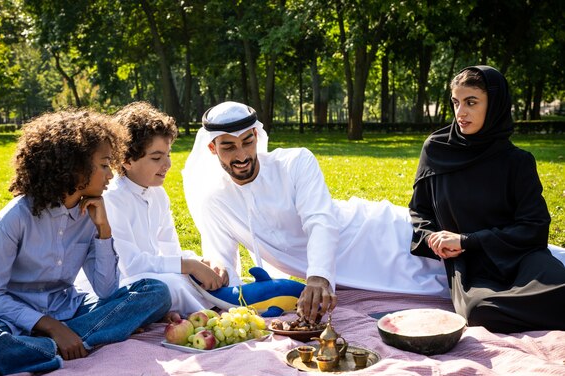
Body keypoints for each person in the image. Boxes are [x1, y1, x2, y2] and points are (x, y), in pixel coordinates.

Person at [182, 101, 450, 323]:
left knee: (459, 270)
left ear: (256, 137)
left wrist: (319, 277)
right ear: (212, 148)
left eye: (247, 142)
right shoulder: (214, 199)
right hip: (348, 276)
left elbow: (320, 222)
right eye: (228, 146)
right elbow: (224, 264)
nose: (241, 154)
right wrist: (218, 273)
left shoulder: (295, 162)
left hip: (378, 235)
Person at [0, 109, 172, 376]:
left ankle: (46, 348)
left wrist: (103, 230)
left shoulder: (91, 216)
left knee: (155, 292)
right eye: (104, 165)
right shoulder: (14, 218)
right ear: (76, 168)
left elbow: (106, 290)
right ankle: (68, 342)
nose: (110, 175)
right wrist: (51, 327)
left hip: (68, 308)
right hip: (7, 319)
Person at [409, 65, 565, 333]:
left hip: (520, 257)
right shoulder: (436, 150)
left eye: (471, 102)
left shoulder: (517, 162)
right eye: (456, 102)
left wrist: (468, 239)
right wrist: (433, 239)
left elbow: (535, 226)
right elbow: (419, 210)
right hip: (471, 266)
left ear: (495, 105)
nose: (460, 112)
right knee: (481, 313)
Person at [103, 101, 227, 316]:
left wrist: (201, 261)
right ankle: (211, 316)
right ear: (126, 160)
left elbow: (171, 251)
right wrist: (189, 266)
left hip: (153, 275)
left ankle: (221, 307)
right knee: (172, 285)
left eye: (168, 154)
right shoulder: (112, 199)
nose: (167, 164)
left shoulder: (157, 193)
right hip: (126, 284)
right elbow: (131, 265)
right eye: (156, 158)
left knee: (215, 273)